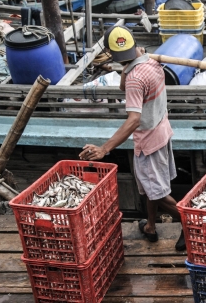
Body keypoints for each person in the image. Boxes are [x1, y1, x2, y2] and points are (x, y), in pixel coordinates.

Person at [79, 25, 185, 251]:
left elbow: (133, 119)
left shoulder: (136, 78)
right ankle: (151, 227)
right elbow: (121, 86)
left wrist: (104, 148)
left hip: (149, 142)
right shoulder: (151, 62)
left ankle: (189, 223)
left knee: (160, 193)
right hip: (161, 130)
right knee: (151, 188)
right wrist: (127, 66)